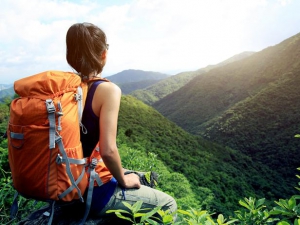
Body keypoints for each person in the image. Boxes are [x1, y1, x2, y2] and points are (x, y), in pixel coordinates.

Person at [66, 22, 177, 222]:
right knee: (169, 204)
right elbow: (108, 150)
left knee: (141, 176)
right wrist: (123, 179)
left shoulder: (64, 90)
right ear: (103, 55)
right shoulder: (108, 90)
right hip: (91, 191)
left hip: (66, 181)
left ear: (70, 56)